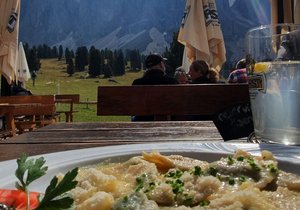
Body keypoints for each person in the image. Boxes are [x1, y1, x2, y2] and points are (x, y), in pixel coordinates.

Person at [131, 53, 178, 121]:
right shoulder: (172, 82)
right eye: (163, 63)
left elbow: (133, 107)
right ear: (161, 64)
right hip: (167, 123)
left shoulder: (137, 83)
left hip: (142, 122)